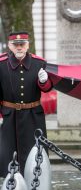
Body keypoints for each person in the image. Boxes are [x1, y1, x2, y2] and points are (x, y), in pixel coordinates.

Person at [0, 31, 53, 177]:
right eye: (15, 44)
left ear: (28, 45)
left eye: (22, 44)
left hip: (33, 116)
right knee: (8, 153)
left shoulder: (39, 63)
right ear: (10, 46)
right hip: (9, 115)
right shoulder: (1, 64)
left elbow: (47, 88)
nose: (19, 47)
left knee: (35, 151)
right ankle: (11, 181)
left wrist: (43, 81)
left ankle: (35, 178)